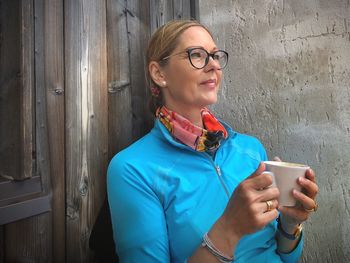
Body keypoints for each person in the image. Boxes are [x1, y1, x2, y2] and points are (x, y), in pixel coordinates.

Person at [107, 19, 319, 263]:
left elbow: (285, 257)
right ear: (158, 73)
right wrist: (229, 229)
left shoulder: (250, 149)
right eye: (197, 55)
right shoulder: (132, 169)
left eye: (215, 56)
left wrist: (291, 223)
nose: (215, 66)